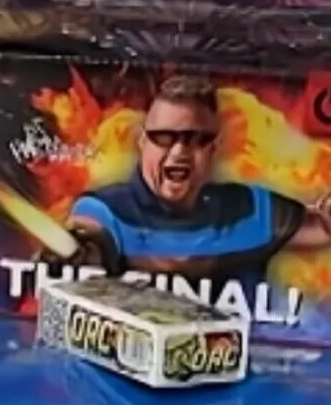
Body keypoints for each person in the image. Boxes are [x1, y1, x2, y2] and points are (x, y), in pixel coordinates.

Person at [52, 75, 331, 298]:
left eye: (195, 139)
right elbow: (88, 240)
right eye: (164, 137)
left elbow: (321, 226)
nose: (179, 152)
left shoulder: (249, 212)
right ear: (143, 143)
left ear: (213, 149)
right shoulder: (105, 210)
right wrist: (81, 253)